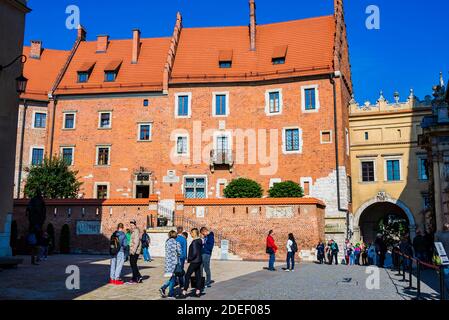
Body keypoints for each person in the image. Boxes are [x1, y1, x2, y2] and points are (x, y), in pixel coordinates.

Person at [160, 230, 182, 298]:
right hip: (174, 263)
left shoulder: (167, 242)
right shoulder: (176, 243)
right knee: (173, 278)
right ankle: (170, 293)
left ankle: (163, 288)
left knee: (173, 277)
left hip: (168, 262)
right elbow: (180, 252)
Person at [182, 228, 203, 298]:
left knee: (187, 275)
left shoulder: (194, 242)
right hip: (199, 260)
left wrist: (189, 259)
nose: (190, 234)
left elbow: (194, 253)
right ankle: (198, 291)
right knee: (198, 275)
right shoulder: (199, 240)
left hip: (194, 261)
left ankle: (184, 291)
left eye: (191, 233)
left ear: (194, 233)